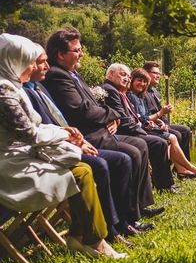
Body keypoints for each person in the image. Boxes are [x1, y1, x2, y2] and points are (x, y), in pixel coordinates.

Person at [0, 33, 125, 259]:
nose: (33, 66)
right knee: (81, 172)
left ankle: (84, 237)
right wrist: (62, 133)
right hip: (11, 167)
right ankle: (94, 240)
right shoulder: (4, 90)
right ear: (14, 60)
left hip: (25, 157)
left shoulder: (12, 86)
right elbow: (28, 133)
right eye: (30, 61)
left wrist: (63, 133)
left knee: (82, 169)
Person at [43, 27, 162, 233]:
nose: (82, 54)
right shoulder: (57, 76)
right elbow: (83, 111)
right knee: (131, 152)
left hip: (99, 131)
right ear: (60, 54)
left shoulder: (73, 74)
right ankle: (124, 219)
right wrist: (113, 115)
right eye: (77, 50)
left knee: (140, 145)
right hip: (89, 135)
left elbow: (92, 105)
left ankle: (135, 210)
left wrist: (110, 115)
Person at [24, 44, 136, 246]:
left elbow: (60, 118)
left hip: (69, 141)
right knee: (102, 163)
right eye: (40, 62)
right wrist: (72, 140)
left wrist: (78, 138)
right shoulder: (28, 89)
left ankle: (122, 221)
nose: (46, 66)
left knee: (123, 158)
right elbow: (40, 129)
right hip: (46, 152)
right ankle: (107, 230)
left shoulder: (39, 87)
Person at [102, 63, 177, 193]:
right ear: (110, 74)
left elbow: (133, 117)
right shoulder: (112, 90)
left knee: (168, 137)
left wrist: (154, 123)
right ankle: (164, 184)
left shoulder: (122, 92)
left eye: (128, 76)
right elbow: (124, 120)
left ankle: (167, 182)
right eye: (123, 74)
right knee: (158, 142)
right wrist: (143, 130)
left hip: (134, 128)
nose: (127, 79)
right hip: (124, 133)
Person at [128, 68, 196, 179]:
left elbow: (145, 115)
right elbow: (141, 118)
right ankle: (188, 168)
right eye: (139, 80)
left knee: (180, 133)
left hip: (148, 125)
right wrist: (160, 114)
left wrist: (158, 121)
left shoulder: (140, 95)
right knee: (173, 137)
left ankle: (181, 169)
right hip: (142, 129)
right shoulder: (132, 96)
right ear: (131, 80)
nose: (142, 84)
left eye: (144, 81)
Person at [142, 61, 193, 162]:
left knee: (186, 130)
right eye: (155, 73)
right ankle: (176, 166)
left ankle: (183, 166)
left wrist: (165, 115)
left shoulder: (154, 91)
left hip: (161, 123)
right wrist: (161, 116)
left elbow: (159, 109)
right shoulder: (142, 91)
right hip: (151, 125)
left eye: (159, 74)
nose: (158, 76)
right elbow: (146, 115)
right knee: (177, 134)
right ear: (146, 73)